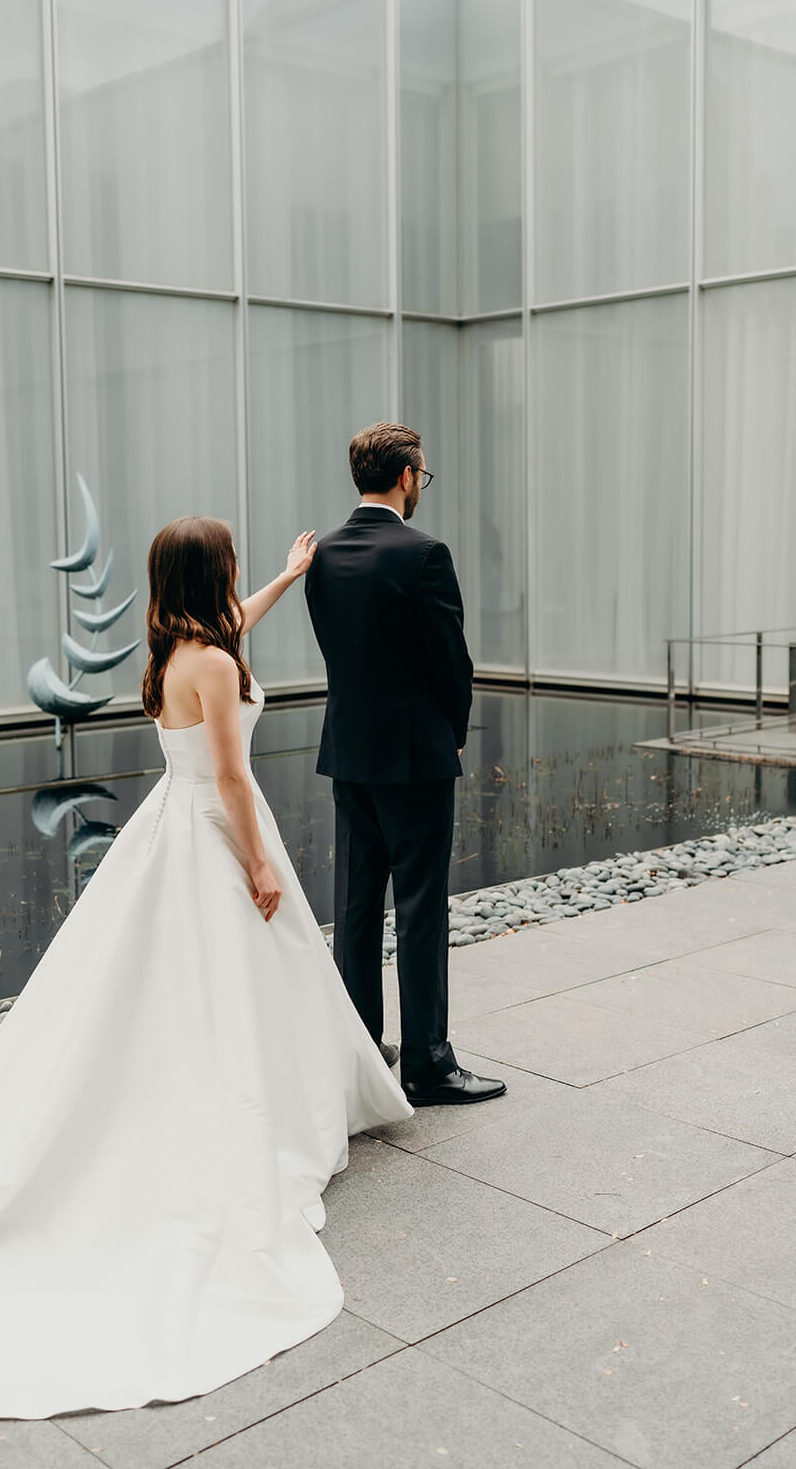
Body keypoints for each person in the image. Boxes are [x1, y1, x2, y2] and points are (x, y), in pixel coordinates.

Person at [0, 517, 411, 1421]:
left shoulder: (176, 648)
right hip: (215, 828)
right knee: (226, 983)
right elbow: (229, 777)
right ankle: (252, 1109)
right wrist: (260, 863)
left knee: (181, 985)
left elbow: (234, 628)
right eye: (231, 567)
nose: (237, 582)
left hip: (171, 826)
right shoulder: (212, 665)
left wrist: (287, 577)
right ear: (209, 573)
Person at [304, 422, 506, 1109]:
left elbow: (339, 651)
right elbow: (450, 659)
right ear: (406, 475)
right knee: (420, 909)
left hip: (349, 751)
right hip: (416, 755)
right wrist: (454, 732)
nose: (421, 484)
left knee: (356, 907)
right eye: (422, 474)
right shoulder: (424, 554)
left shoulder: (322, 555)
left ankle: (362, 1053)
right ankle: (426, 1063)